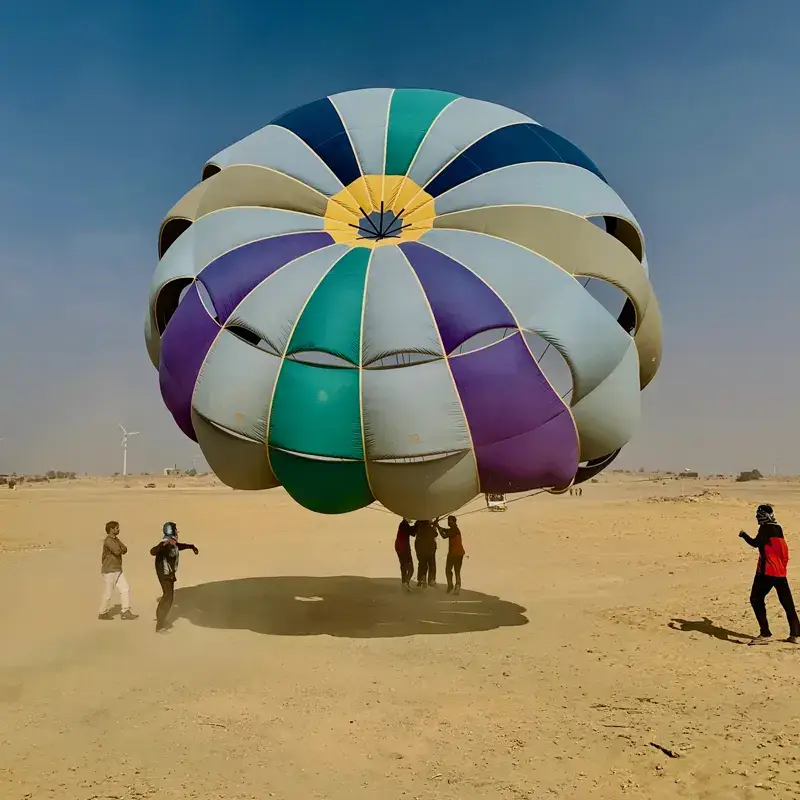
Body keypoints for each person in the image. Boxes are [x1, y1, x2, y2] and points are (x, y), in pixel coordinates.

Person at [739, 504, 800, 645]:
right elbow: (783, 551)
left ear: (763, 516)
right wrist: (783, 567)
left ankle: (765, 634)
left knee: (756, 599)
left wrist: (743, 535)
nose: (756, 517)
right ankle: (796, 634)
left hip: (767, 572)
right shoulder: (778, 528)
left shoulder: (765, 528)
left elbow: (755, 543)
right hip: (780, 572)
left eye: (758, 514)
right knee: (788, 603)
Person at [150, 521, 199, 633]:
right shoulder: (164, 544)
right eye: (175, 529)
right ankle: (160, 625)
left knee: (168, 597)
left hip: (169, 575)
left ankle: (160, 619)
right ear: (171, 531)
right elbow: (153, 551)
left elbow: (178, 546)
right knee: (168, 597)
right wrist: (164, 544)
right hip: (165, 575)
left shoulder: (173, 543)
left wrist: (191, 547)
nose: (177, 531)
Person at [98, 521, 138, 620]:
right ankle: (102, 612)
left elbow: (124, 548)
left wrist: (121, 549)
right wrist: (120, 549)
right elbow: (117, 551)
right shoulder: (108, 540)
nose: (118, 529)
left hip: (117, 569)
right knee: (108, 592)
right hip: (109, 570)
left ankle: (125, 611)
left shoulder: (116, 539)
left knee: (125, 588)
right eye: (116, 528)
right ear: (111, 529)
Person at [437, 516, 465, 594]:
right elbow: (446, 530)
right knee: (457, 571)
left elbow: (444, 535)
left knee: (448, 570)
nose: (448, 522)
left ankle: (451, 586)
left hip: (454, 554)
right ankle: (457, 585)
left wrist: (438, 528)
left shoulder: (454, 530)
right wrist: (438, 526)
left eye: (449, 521)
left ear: (453, 521)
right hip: (459, 553)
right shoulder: (454, 529)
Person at [413, 520, 438, 587]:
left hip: (420, 549)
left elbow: (413, 533)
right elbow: (435, 534)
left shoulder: (419, 527)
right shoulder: (429, 528)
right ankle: (431, 579)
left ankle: (421, 578)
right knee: (431, 564)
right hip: (430, 549)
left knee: (422, 564)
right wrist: (434, 527)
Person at [395, 519, 415, 591]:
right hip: (404, 548)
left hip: (399, 547)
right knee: (410, 568)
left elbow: (411, 531)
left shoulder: (403, 525)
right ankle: (406, 582)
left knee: (403, 566)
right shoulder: (404, 525)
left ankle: (404, 582)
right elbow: (413, 533)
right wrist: (418, 525)